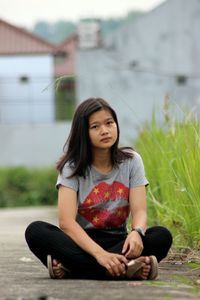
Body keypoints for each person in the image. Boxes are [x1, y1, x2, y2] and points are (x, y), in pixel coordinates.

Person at [25, 97, 172, 280]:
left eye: (109, 123)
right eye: (95, 126)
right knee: (36, 231)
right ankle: (125, 268)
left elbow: (140, 211)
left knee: (161, 236)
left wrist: (137, 233)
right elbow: (66, 223)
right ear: (83, 132)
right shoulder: (71, 167)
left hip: (119, 241)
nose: (105, 131)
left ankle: (74, 268)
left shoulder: (132, 161)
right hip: (81, 242)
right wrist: (100, 255)